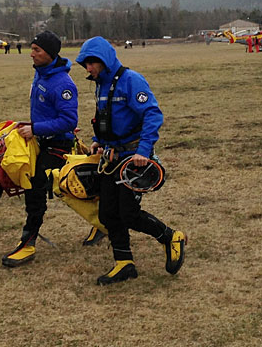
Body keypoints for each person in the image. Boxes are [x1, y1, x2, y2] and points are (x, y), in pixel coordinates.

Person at [76, 36, 187, 285]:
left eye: (92, 63)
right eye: (85, 64)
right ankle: (124, 263)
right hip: (110, 157)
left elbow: (152, 113)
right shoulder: (100, 85)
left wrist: (143, 151)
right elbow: (104, 117)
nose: (88, 69)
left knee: (128, 213)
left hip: (132, 159)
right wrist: (98, 139)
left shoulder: (131, 80)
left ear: (104, 60)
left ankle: (170, 237)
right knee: (107, 213)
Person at [2, 30, 81, 267]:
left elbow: (70, 121)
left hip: (59, 145)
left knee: (38, 189)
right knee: (43, 189)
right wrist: (30, 126)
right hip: (41, 141)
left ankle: (27, 245)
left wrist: (36, 128)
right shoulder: (42, 75)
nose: (31, 54)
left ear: (50, 53)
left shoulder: (63, 84)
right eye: (32, 48)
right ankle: (104, 226)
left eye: (37, 50)